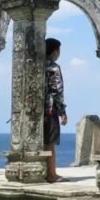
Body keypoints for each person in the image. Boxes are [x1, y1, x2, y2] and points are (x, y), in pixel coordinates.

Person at [44, 38, 67, 182]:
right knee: (50, 142)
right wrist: (62, 112)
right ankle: (51, 174)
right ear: (55, 51)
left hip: (36, 110)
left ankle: (45, 171)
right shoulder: (53, 67)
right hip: (50, 109)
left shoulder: (37, 65)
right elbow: (57, 91)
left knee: (43, 142)